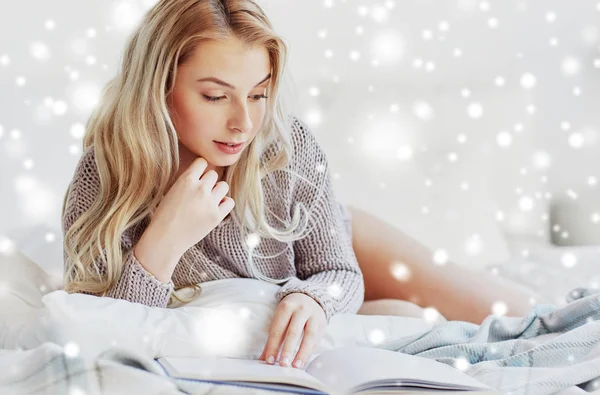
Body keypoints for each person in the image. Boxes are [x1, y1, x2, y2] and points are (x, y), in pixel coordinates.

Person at [61, 0, 541, 371]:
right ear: (159, 87)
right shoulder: (101, 178)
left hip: (335, 238)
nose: (243, 122)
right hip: (280, 271)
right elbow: (109, 333)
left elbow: (339, 271)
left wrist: (314, 297)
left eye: (258, 94)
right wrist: (164, 238)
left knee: (521, 317)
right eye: (215, 96)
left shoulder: (285, 150)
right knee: (402, 317)